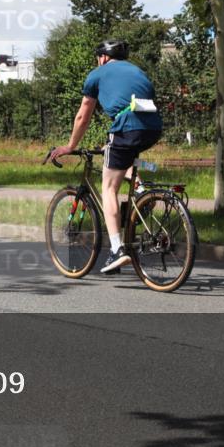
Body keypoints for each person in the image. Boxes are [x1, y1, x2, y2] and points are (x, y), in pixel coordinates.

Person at [47, 40, 163, 274]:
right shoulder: (137, 71)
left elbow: (83, 116)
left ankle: (117, 250)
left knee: (108, 188)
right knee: (120, 156)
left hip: (126, 127)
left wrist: (70, 146)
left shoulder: (96, 74)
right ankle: (140, 190)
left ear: (103, 57)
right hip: (153, 127)